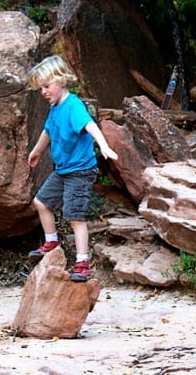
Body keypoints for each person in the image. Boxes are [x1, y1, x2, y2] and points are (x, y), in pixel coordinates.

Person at [26, 54, 118, 282]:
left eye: (47, 86)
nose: (44, 92)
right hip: (63, 170)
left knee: (74, 216)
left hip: (80, 171)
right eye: (40, 88)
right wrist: (36, 151)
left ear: (61, 81)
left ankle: (82, 263)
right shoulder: (55, 108)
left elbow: (90, 126)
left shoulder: (73, 105)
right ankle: (51, 241)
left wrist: (104, 146)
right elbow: (48, 131)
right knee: (41, 201)